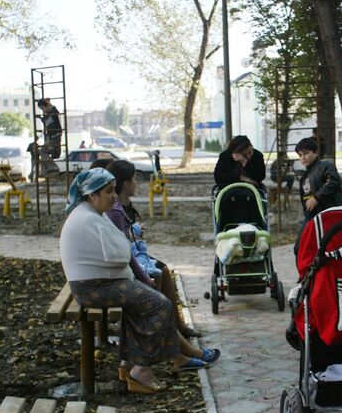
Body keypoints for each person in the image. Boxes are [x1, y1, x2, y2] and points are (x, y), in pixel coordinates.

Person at [59, 168, 220, 394]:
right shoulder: (88, 219)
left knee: (147, 303)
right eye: (108, 192)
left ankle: (128, 365)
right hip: (93, 289)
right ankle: (142, 371)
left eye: (113, 190)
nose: (113, 196)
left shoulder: (92, 214)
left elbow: (121, 253)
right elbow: (120, 255)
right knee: (159, 305)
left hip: (100, 284)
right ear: (91, 195)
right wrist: (125, 254)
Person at [104, 159, 199, 339]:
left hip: (128, 262)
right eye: (134, 179)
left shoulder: (122, 208)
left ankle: (176, 328)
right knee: (156, 276)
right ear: (125, 183)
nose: (137, 183)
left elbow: (123, 241)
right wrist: (144, 277)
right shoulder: (115, 211)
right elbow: (123, 251)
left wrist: (135, 231)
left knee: (163, 270)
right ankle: (165, 335)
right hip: (121, 270)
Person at [296, 137, 342, 222]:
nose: (303, 157)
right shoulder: (304, 177)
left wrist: (316, 198)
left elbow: (334, 182)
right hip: (313, 217)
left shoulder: (325, 166)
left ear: (316, 153)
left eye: (306, 153)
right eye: (300, 155)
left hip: (330, 214)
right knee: (303, 235)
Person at [37, 98, 62, 175]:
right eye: (41, 109)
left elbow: (56, 111)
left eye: (43, 108)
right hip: (52, 137)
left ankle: (53, 167)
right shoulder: (46, 115)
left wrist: (49, 104)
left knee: (43, 151)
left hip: (55, 137)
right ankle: (45, 172)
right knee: (43, 152)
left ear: (46, 106)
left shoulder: (52, 111)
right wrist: (41, 118)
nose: (42, 110)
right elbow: (46, 123)